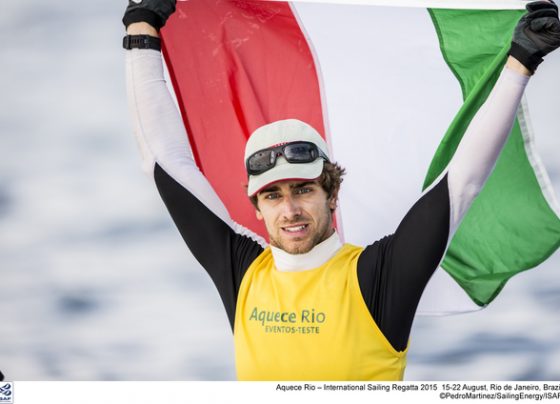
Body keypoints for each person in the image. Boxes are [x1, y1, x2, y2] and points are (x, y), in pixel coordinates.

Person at [122, 0, 560, 380]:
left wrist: (520, 64)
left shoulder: (377, 278)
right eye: (273, 195)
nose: (290, 209)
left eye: (303, 189)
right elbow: (162, 159)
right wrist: (141, 30)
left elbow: (461, 182)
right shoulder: (242, 275)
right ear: (256, 206)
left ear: (332, 194)